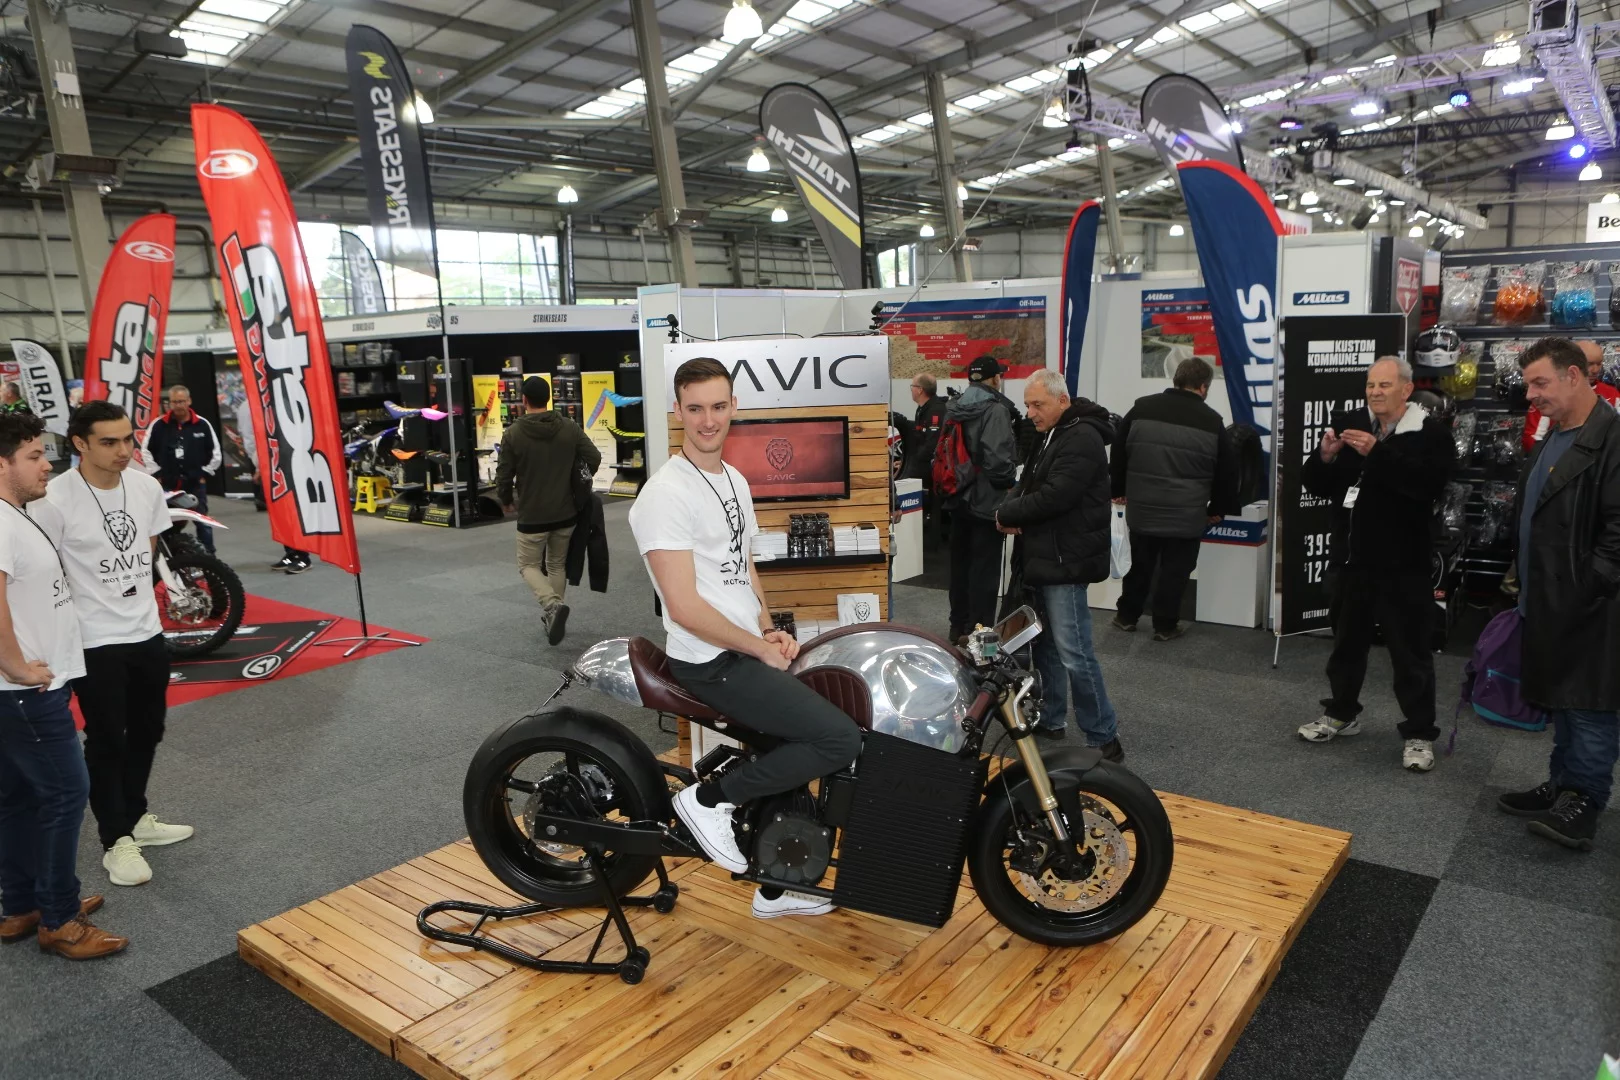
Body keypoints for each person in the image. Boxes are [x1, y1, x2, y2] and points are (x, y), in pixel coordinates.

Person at [629, 358, 860, 920]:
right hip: (709, 661)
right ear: (678, 411)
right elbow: (683, 607)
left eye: (718, 406)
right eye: (696, 408)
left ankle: (778, 883)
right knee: (839, 741)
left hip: (741, 647)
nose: (709, 420)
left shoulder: (732, 479)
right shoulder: (665, 494)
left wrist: (766, 628)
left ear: (735, 408)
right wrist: (756, 647)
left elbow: (742, 567)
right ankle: (707, 800)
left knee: (797, 737)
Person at [50, 401, 194, 887]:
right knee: (108, 737)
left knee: (149, 730)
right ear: (80, 444)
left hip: (147, 632)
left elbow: (147, 548)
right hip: (93, 640)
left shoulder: (146, 486)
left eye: (128, 439)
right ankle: (115, 839)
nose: (123, 451)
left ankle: (135, 817)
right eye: (109, 442)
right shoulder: (55, 497)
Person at [0, 412, 127, 958]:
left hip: (23, 693)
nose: (45, 463)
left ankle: (21, 904)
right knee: (64, 794)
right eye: (32, 455)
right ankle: (58, 917)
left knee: (19, 797)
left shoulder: (14, 513)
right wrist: (15, 667)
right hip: (27, 693)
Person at [1298, 356, 1455, 771]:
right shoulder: (1353, 425)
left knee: (1410, 653)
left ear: (1406, 389)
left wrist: (1377, 453)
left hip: (1404, 565)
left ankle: (1419, 733)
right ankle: (1341, 712)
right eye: (1370, 385)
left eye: (1384, 385)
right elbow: (1318, 485)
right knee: (1346, 645)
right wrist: (1326, 457)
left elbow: (1426, 487)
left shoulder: (1431, 434)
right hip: (1352, 561)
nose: (1375, 392)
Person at [1497, 337, 1620, 850]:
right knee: (1563, 702)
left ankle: (1585, 801)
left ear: (1576, 377)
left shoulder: (1612, 439)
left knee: (1589, 704)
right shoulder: (1554, 434)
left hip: (1590, 606)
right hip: (1548, 600)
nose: (1530, 394)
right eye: (1528, 383)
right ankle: (1562, 784)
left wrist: (1584, 590)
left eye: (1539, 382)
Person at [995, 369, 1123, 760]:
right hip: (1047, 556)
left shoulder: (1081, 437)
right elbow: (1030, 483)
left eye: (1038, 404)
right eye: (1028, 404)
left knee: (1074, 651)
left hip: (1065, 560)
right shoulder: (1051, 433)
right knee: (1046, 646)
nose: (1030, 412)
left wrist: (1006, 511)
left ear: (1062, 401)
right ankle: (1051, 718)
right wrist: (1010, 507)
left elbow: (1056, 496)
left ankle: (1103, 736)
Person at [1110, 357, 1241, 641]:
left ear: (1175, 379)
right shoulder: (1211, 421)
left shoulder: (1141, 407)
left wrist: (1117, 489)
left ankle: (1126, 616)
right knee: (1176, 571)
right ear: (1204, 386)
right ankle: (1165, 625)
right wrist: (1219, 509)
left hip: (1143, 508)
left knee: (1140, 564)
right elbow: (1227, 473)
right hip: (1186, 514)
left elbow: (1119, 451)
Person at [495, 376, 601, 646]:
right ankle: (553, 613)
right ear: (549, 398)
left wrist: (505, 499)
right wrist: (580, 482)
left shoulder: (513, 434)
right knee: (556, 564)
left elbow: (504, 474)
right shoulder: (568, 427)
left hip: (532, 514)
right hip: (566, 512)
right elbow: (594, 457)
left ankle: (552, 606)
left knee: (528, 565)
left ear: (524, 401)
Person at [944, 355, 1020, 642]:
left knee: (960, 565)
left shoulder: (953, 407)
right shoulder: (996, 410)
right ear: (996, 378)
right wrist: (1010, 483)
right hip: (987, 501)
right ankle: (979, 632)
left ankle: (958, 626)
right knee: (985, 569)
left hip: (956, 497)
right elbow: (998, 461)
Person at [143, 385, 221, 553]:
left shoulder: (202, 424)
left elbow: (215, 453)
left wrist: (204, 473)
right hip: (167, 485)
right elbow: (146, 450)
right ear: (169, 403)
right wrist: (157, 473)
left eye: (182, 401)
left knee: (202, 521)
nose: (178, 405)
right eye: (174, 401)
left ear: (189, 401)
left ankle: (210, 556)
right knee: (166, 521)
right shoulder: (158, 425)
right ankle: (170, 554)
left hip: (194, 483)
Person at [1522, 339, 1619, 450]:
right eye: (1590, 364)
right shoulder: (1546, 397)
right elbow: (1533, 439)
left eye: (1599, 363)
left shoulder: (1612, 393)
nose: (1595, 370)